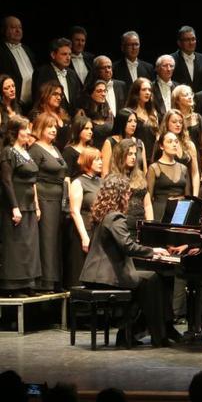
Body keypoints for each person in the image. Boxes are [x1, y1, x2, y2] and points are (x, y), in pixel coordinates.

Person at [79, 174, 172, 347]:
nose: (129, 197)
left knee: (149, 281)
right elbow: (128, 246)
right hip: (105, 278)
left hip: (95, 276)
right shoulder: (115, 217)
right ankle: (158, 336)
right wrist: (153, 251)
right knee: (152, 280)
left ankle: (129, 333)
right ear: (120, 194)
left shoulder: (104, 214)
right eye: (127, 193)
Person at [0, 115, 40, 297]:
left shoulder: (27, 152)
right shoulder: (9, 152)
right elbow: (6, 181)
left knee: (28, 246)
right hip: (17, 205)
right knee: (16, 245)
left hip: (30, 205)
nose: (29, 132)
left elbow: (33, 182)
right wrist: (14, 207)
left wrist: (37, 206)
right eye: (25, 129)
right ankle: (13, 286)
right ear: (16, 131)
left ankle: (27, 282)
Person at [29, 113, 69, 292]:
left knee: (56, 240)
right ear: (40, 128)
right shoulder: (36, 150)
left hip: (58, 199)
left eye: (55, 126)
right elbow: (31, 178)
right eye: (49, 127)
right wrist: (36, 204)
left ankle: (55, 280)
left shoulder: (55, 148)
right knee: (47, 239)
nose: (54, 130)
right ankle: (44, 282)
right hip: (45, 199)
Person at [67, 147, 102, 287]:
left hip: (98, 229)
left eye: (101, 159)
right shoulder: (78, 182)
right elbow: (74, 211)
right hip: (83, 230)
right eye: (97, 159)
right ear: (88, 161)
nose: (101, 162)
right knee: (80, 271)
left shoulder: (101, 181)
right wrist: (84, 236)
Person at [108, 138, 154, 234]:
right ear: (120, 155)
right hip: (122, 229)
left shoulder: (140, 176)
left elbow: (148, 205)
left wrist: (150, 226)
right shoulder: (111, 179)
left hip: (141, 228)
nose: (133, 157)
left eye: (134, 154)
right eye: (129, 154)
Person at [153, 109, 200, 195]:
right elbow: (153, 167)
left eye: (180, 122)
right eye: (174, 122)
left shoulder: (189, 145)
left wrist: (195, 195)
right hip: (166, 189)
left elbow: (195, 173)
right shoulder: (161, 143)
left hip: (186, 188)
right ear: (167, 123)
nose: (178, 125)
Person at [147, 131, 191, 223]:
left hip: (179, 214)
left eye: (176, 141)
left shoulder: (183, 168)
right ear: (161, 146)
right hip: (160, 213)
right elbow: (148, 198)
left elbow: (188, 197)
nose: (174, 144)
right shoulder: (154, 168)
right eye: (170, 142)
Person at [31, 37, 81, 114]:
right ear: (53, 55)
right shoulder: (42, 72)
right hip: (50, 117)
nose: (68, 58)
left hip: (71, 119)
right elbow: (39, 99)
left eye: (69, 54)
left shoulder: (72, 74)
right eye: (64, 54)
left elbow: (77, 97)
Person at [171, 85, 202, 178]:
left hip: (196, 160)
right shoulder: (172, 117)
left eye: (191, 94)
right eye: (185, 95)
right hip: (178, 159)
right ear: (177, 100)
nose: (190, 97)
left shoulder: (198, 117)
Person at [0, 16, 38, 108]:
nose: (18, 30)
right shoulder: (1, 51)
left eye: (20, 27)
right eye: (13, 27)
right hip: (12, 104)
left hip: (33, 103)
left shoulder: (27, 49)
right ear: (4, 30)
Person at [101, 108, 147, 177]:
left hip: (137, 183)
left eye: (135, 121)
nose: (133, 124)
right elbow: (104, 172)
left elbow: (145, 170)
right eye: (129, 121)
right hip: (116, 183)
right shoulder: (110, 142)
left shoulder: (139, 143)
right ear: (121, 122)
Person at [124, 77, 159, 162]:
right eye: (144, 90)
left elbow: (157, 135)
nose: (147, 93)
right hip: (136, 155)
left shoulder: (153, 112)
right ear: (136, 92)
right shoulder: (129, 112)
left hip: (153, 156)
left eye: (149, 90)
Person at [29, 80, 70, 150]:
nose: (59, 98)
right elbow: (32, 140)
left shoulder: (63, 113)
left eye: (60, 95)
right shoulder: (37, 115)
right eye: (55, 94)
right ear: (45, 94)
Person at [170, 26, 202, 93]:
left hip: (201, 101)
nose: (191, 43)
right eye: (187, 40)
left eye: (193, 39)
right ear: (179, 43)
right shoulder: (171, 60)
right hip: (180, 100)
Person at [76, 80, 114, 151]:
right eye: (99, 91)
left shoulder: (109, 112)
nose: (103, 94)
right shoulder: (83, 113)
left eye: (105, 91)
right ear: (91, 93)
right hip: (89, 151)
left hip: (108, 150)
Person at [62, 114, 93, 179]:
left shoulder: (92, 149)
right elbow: (66, 176)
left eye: (91, 129)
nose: (90, 132)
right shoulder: (69, 151)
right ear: (78, 130)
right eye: (86, 128)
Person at [151, 55, 178, 120]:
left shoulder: (178, 87)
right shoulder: (150, 87)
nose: (168, 69)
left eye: (171, 66)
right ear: (157, 68)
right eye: (165, 66)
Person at [0, 74, 23, 146]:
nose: (12, 90)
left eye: (13, 86)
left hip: (18, 143)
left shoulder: (18, 106)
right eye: (7, 88)